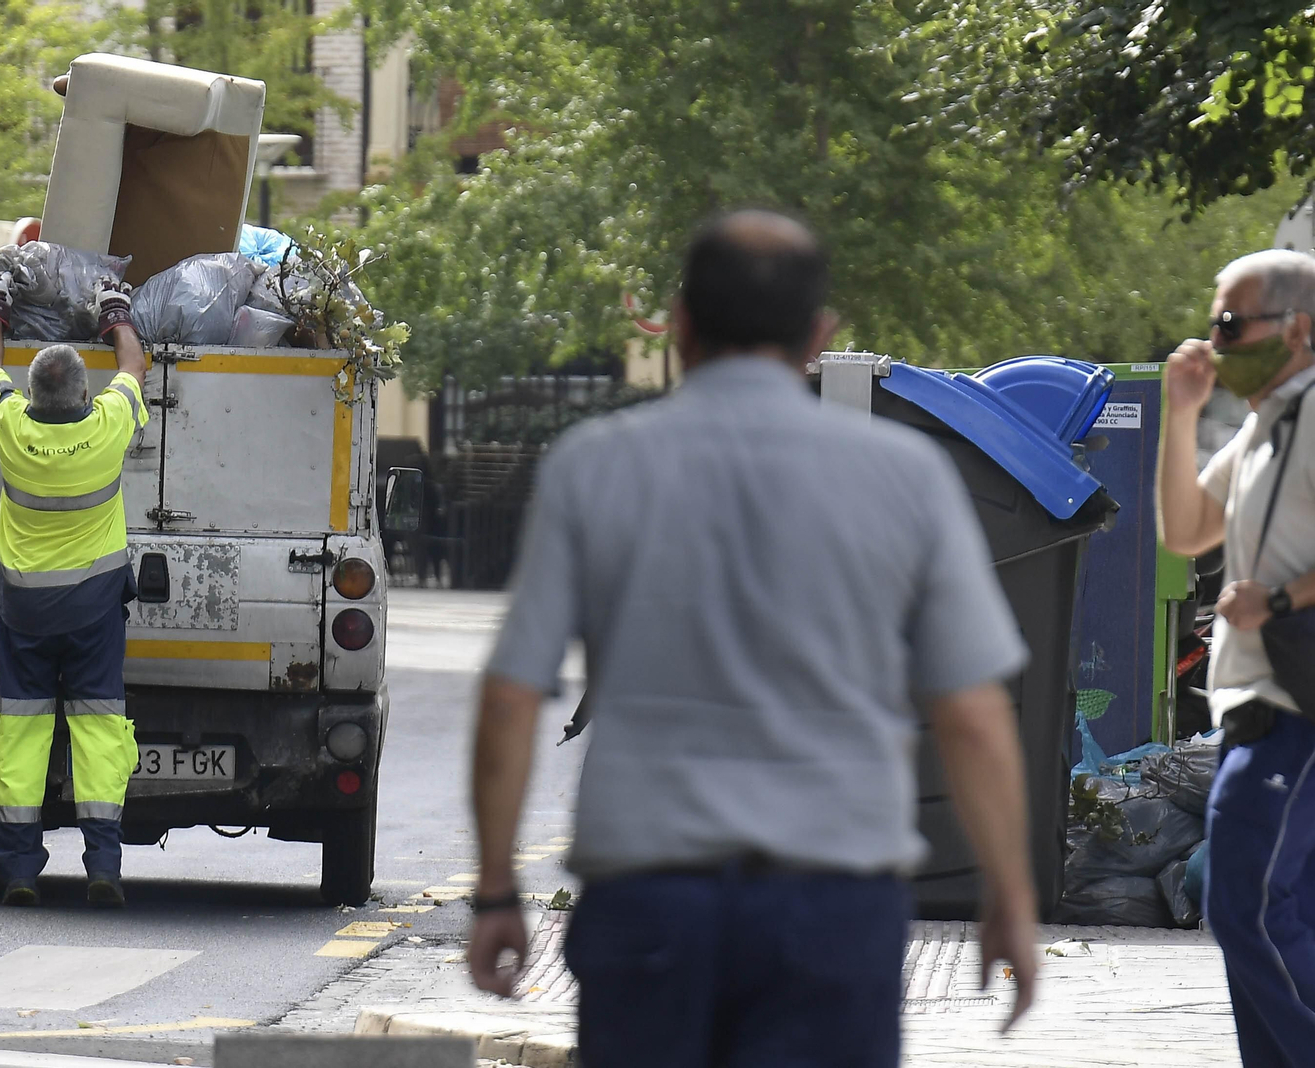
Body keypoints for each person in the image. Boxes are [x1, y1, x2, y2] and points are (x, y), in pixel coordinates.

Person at [467, 210, 1039, 1067]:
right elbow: (972, 714)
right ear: (819, 335)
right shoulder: (906, 477)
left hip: (649, 902)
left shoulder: (595, 465)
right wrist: (1009, 895)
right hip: (833, 908)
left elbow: (513, 695)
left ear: (681, 323)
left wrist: (496, 892)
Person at [1158, 249, 1315, 1067]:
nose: (1215, 340)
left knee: (1242, 903)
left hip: (1294, 709)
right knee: (1279, 911)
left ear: (1299, 328)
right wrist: (1181, 415)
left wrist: (1282, 599)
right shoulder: (1263, 427)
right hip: (1263, 707)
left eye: (1230, 322)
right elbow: (1186, 532)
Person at [0, 267, 148, 908]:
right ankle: (103, 866)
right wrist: (116, 312)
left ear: (33, 394)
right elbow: (135, 366)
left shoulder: (12, 429)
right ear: (82, 393)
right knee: (99, 729)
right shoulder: (105, 431)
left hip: (25, 613)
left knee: (21, 732)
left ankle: (18, 870)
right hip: (94, 612)